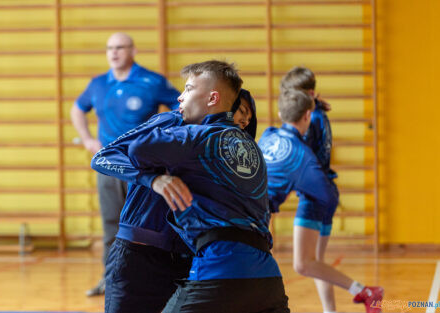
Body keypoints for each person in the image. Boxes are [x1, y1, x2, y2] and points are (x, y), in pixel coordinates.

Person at [120, 60, 289, 313]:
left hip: (218, 273)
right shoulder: (253, 149)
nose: (180, 96)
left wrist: (159, 173)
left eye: (188, 89)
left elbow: (137, 148)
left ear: (212, 98)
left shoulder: (197, 136)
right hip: (268, 279)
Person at [90, 88, 258, 313]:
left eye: (250, 117)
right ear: (221, 104)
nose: (246, 119)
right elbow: (103, 157)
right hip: (139, 256)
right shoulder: (172, 121)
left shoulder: (228, 156)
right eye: (243, 110)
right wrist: (153, 180)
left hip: (190, 260)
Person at [70, 32, 180, 296]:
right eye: (109, 48)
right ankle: (111, 279)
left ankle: (154, 280)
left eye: (120, 47)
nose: (114, 52)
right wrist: (87, 139)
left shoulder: (151, 81)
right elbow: (77, 109)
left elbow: (181, 108)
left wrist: (164, 141)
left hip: (144, 169)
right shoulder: (98, 84)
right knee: (111, 224)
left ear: (133, 50)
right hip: (109, 167)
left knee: (149, 225)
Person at [258, 88, 383, 313]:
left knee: (306, 264)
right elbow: (325, 194)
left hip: (238, 211)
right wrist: (297, 184)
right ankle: (359, 293)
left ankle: (350, 298)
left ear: (279, 114)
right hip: (255, 219)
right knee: (304, 265)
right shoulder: (303, 156)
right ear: (307, 116)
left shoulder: (267, 134)